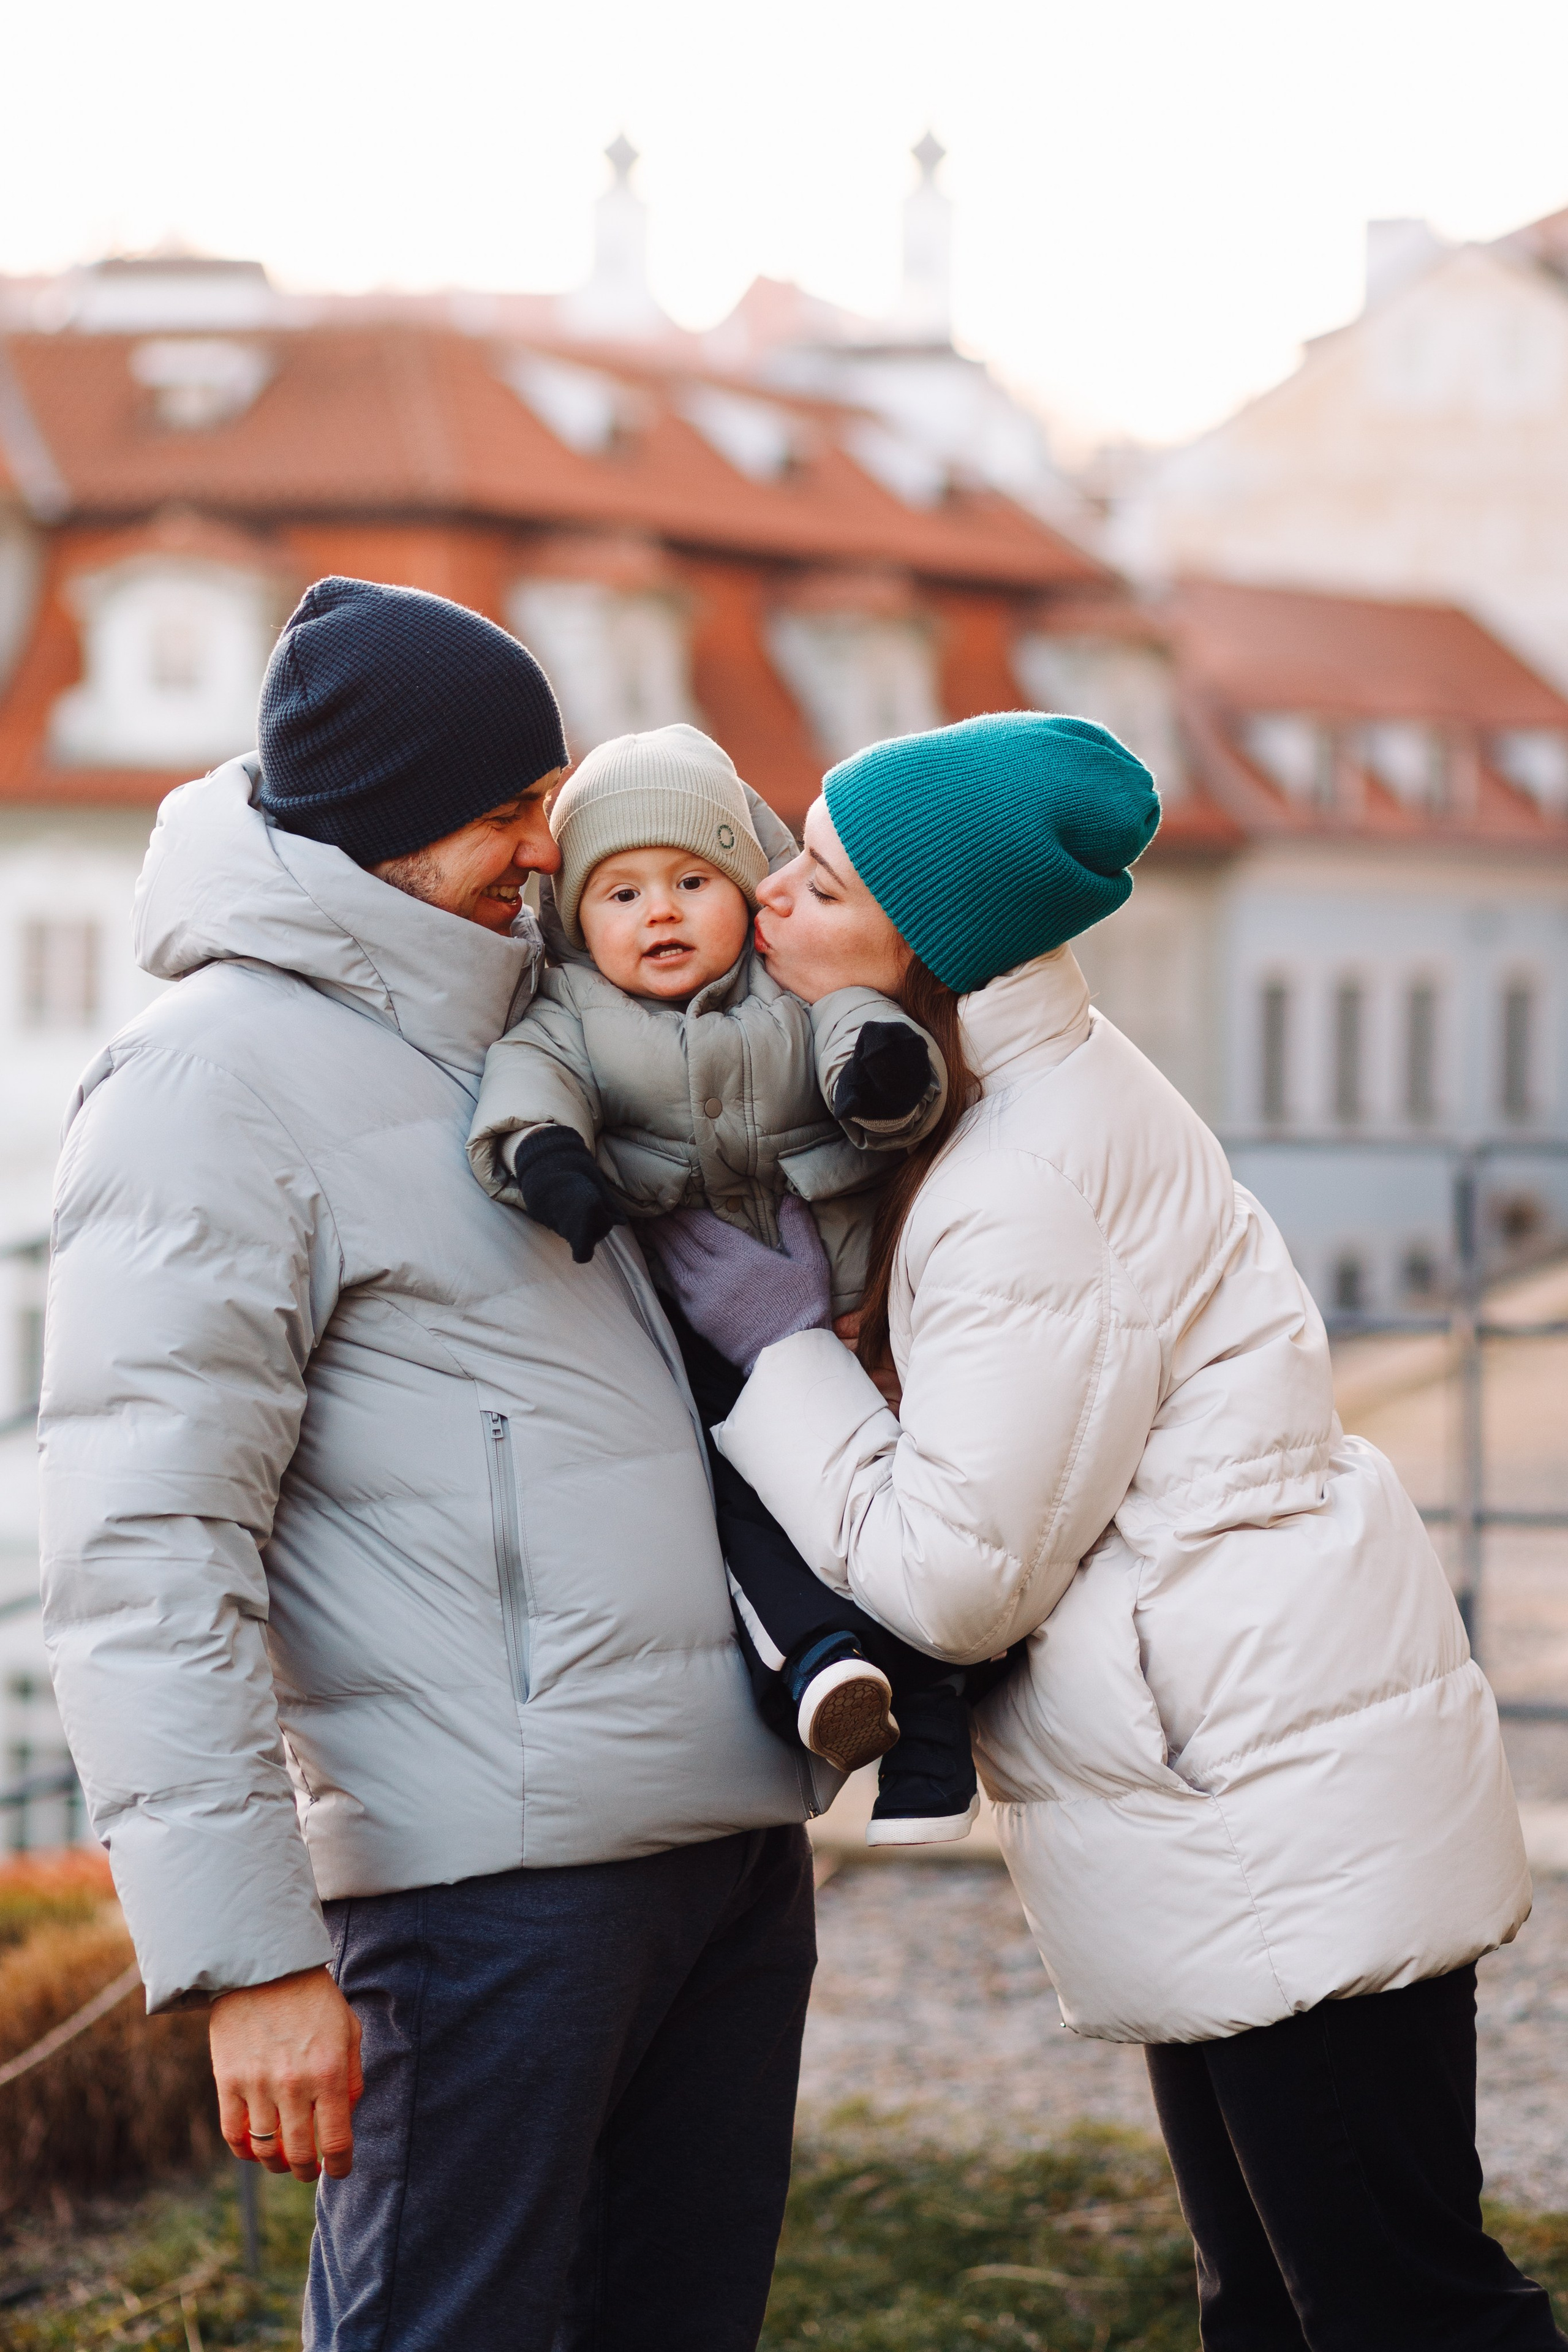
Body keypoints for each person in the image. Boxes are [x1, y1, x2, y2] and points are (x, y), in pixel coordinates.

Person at [655, 709, 1565, 2351]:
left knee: (1397, 2308)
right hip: (1242, 1769)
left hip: (1263, 1789)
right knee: (1281, 2304)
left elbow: (954, 1580)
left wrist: (776, 1353)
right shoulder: (1019, 1100)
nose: (771, 895)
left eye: (826, 884)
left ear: (937, 946)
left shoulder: (1021, 1179)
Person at [38, 576, 824, 2352]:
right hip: (485, 1900)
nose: (547, 846)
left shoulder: (537, 1017)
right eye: (501, 813)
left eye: (545, 798)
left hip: (718, 1849)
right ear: (382, 828)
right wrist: (250, 1961)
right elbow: (144, 1546)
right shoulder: (207, 1086)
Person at [466, 720, 1000, 1842]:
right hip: (708, 1330)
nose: (657, 912)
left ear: (746, 889)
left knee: (913, 1515)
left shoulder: (788, 983)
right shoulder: (568, 1013)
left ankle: (935, 1751)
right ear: (575, 921)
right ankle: (820, 1671)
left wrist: (883, 1075)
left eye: (690, 880)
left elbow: (861, 1026)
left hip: (865, 1301)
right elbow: (531, 1079)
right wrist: (546, 1158)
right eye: (620, 893)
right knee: (739, 1510)